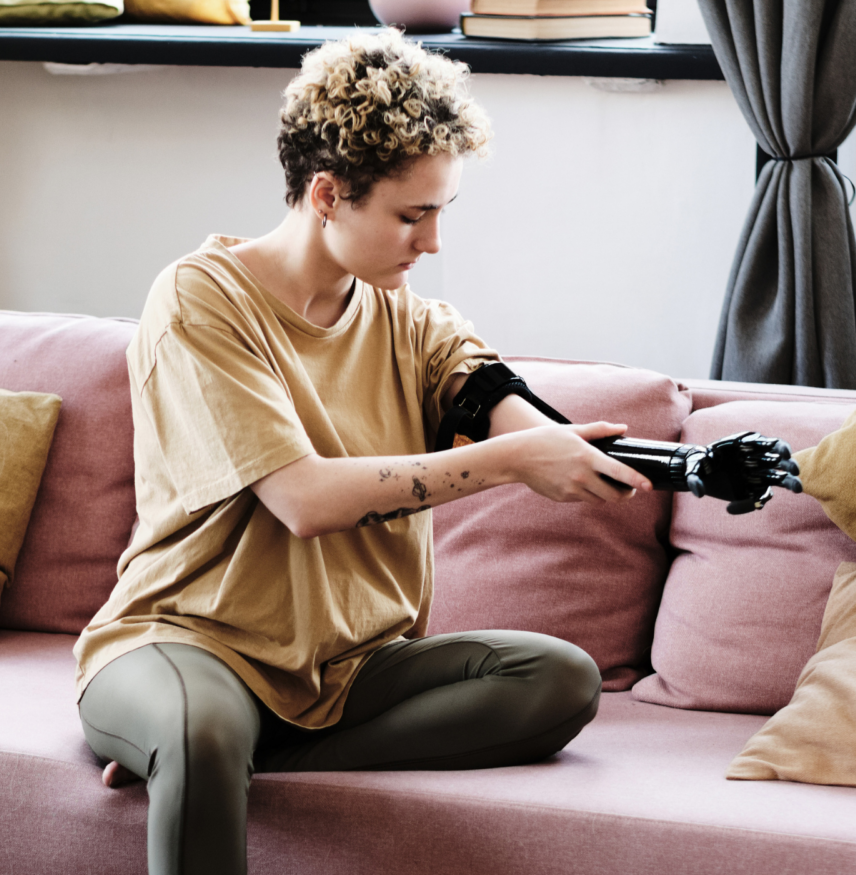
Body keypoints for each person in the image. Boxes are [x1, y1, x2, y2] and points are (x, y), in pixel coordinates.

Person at [73, 28, 652, 875]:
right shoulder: (201, 300)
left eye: (441, 213)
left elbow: (503, 409)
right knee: (201, 724)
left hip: (353, 669)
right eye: (411, 215)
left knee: (559, 679)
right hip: (186, 641)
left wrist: (655, 465)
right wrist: (510, 465)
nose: (432, 243)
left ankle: (233, 758)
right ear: (327, 194)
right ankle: (204, 744)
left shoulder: (415, 320)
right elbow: (303, 500)